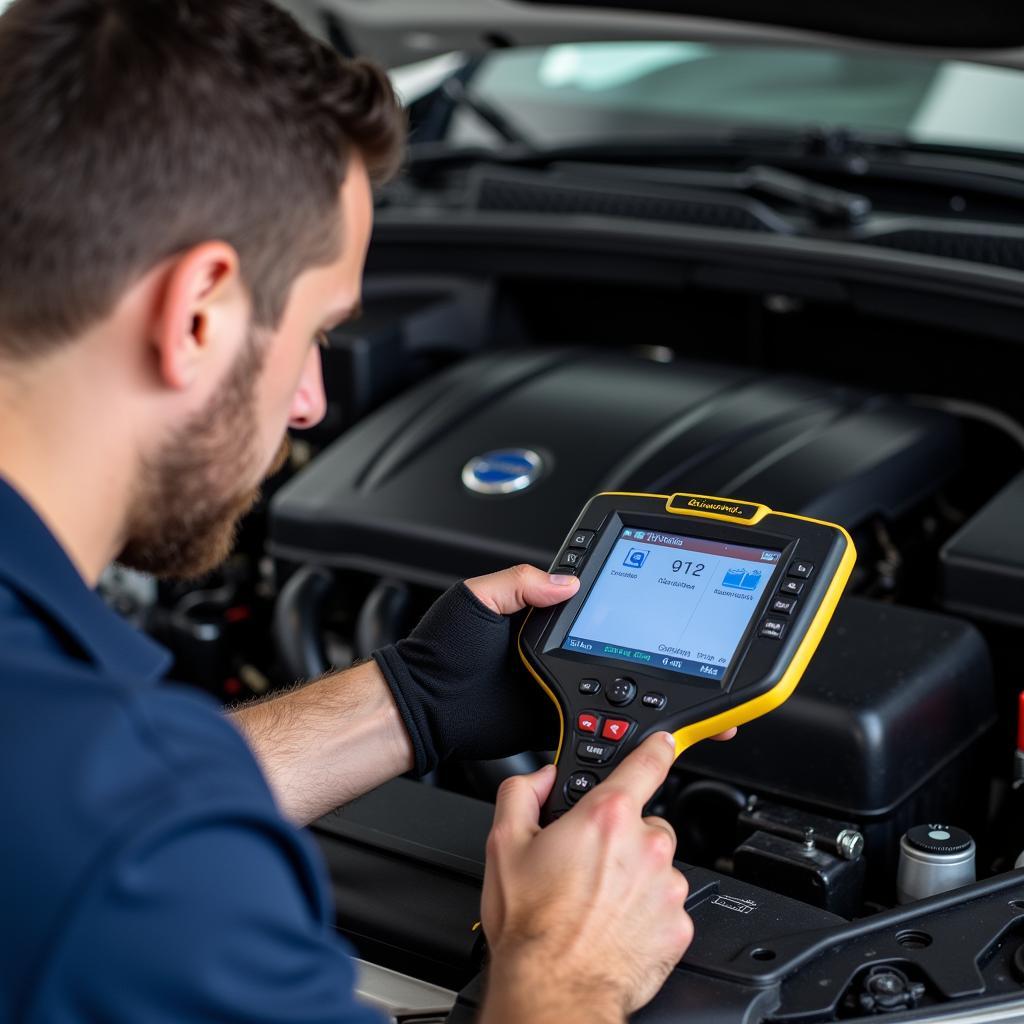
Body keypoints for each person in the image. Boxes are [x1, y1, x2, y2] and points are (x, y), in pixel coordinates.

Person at [0, 2, 731, 1021]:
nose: (311, 403)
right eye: (316, 332)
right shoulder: (140, 873)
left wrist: (409, 703)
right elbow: (107, 832)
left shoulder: (76, 775)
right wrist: (564, 973)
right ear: (199, 312)